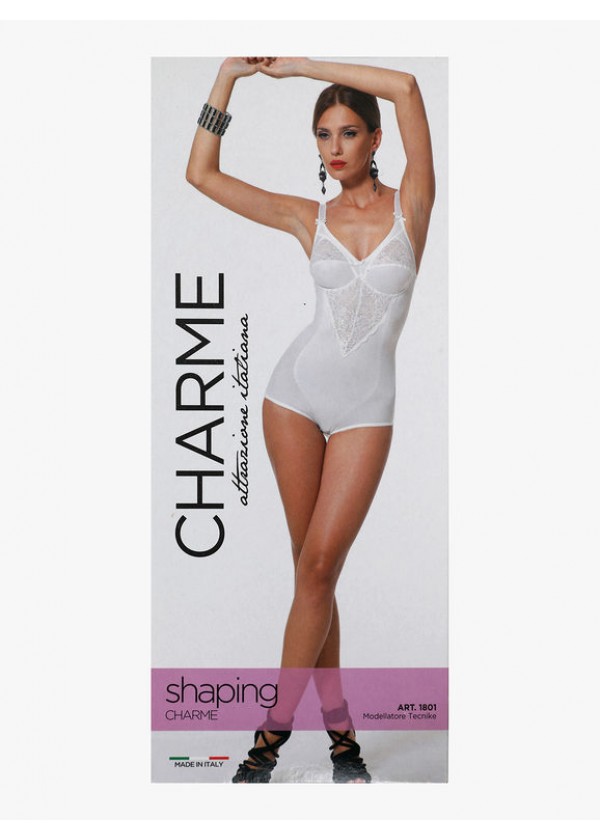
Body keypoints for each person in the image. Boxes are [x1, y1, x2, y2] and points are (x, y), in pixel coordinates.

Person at [186, 56, 435, 783]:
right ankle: (341, 740)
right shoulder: (309, 215)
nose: (334, 147)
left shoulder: (414, 205)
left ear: (376, 139)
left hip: (366, 411)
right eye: (323, 134)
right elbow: (201, 174)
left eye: (349, 132)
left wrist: (295, 67)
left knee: (319, 569)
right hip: (292, 399)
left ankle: (269, 737)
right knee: (313, 579)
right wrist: (228, 77)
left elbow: (408, 87)